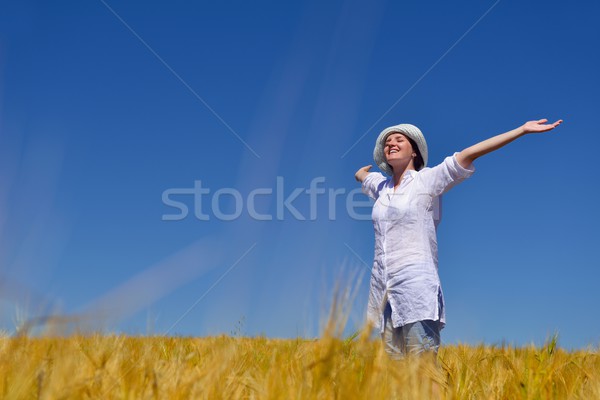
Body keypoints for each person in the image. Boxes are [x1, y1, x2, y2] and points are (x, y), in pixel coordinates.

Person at [355, 118, 562, 359]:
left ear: (414, 151)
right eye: (387, 143)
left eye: (399, 140)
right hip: (383, 293)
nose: (390, 144)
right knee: (393, 377)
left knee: (423, 369)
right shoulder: (382, 188)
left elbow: (469, 154)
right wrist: (360, 173)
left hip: (414, 288)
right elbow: (363, 177)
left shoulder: (427, 180)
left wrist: (521, 130)